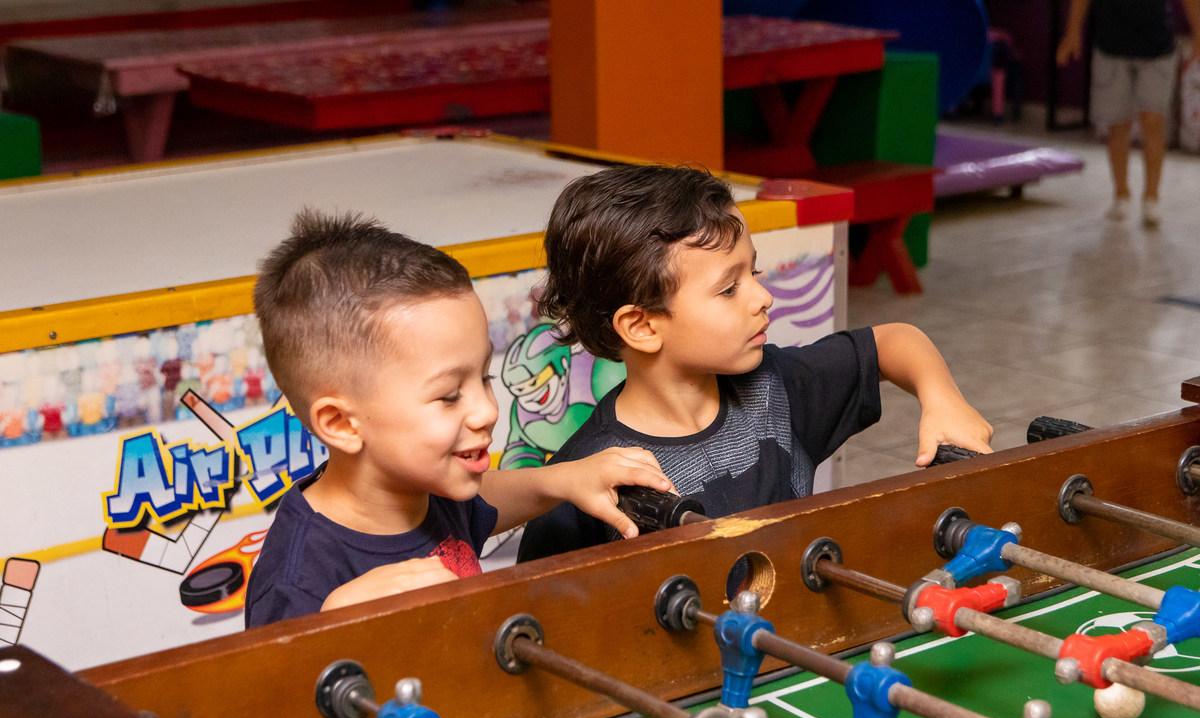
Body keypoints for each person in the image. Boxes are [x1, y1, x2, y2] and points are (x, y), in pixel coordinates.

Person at [516, 164, 993, 563]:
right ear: (641, 326)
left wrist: (942, 399)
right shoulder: (581, 481)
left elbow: (893, 342)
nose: (763, 297)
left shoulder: (776, 389)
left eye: (755, 271)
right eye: (729, 289)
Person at [244, 209, 671, 627]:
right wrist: (332, 627)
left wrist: (560, 479)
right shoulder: (295, 583)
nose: (486, 410)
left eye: (484, 377)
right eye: (449, 396)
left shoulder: (427, 487)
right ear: (340, 423)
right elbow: (263, 696)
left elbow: (481, 500)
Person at [1057, 0, 1200, 226]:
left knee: (1152, 121)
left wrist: (1198, 33)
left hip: (1157, 47)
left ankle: (1151, 198)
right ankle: (1121, 194)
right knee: (1118, 125)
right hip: (1111, 47)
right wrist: (1072, 31)